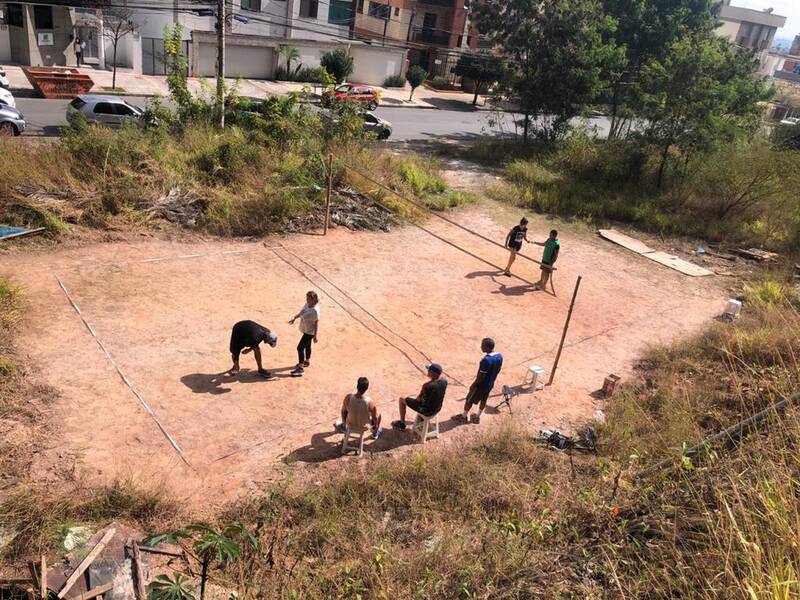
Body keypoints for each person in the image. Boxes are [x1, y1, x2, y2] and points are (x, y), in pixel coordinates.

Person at [456, 338, 503, 424]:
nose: (481, 347)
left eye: (483, 345)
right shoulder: (500, 356)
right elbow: (498, 370)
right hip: (490, 384)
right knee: (484, 400)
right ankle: (477, 417)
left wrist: (473, 385)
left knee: (469, 400)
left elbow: (481, 377)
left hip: (480, 386)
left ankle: (464, 416)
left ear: (488, 347)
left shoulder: (486, 360)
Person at [392, 363, 448, 430]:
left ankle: (402, 423)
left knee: (401, 399)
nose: (428, 371)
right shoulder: (444, 381)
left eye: (429, 370)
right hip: (437, 408)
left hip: (427, 411)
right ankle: (420, 420)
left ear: (432, 373)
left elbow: (418, 400)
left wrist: (418, 395)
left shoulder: (427, 386)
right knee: (429, 399)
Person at [288, 291, 320, 377]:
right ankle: (307, 361)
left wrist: (315, 335)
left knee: (300, 348)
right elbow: (302, 311)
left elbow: (317, 322)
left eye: (308, 298)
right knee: (307, 346)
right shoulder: (307, 304)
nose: (306, 300)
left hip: (310, 332)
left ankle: (300, 368)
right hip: (306, 329)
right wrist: (295, 317)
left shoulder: (315, 311)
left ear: (313, 300)